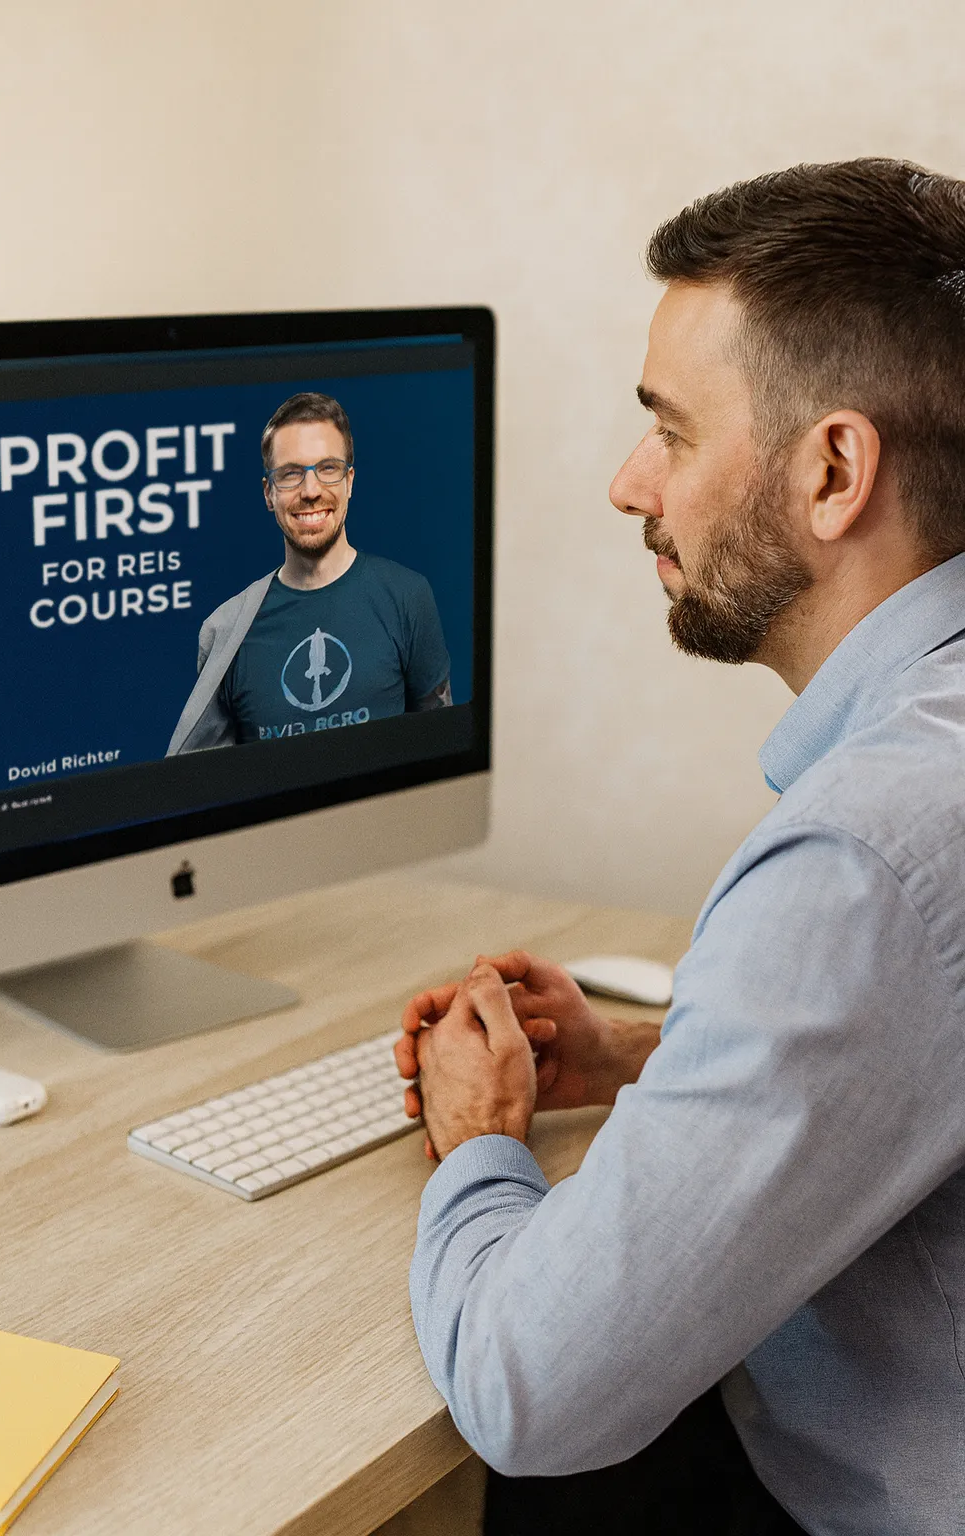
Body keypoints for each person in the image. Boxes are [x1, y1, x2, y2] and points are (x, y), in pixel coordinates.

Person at [395, 159, 965, 1536]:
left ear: (833, 471)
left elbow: (532, 1393)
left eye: (671, 430)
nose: (626, 482)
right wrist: (657, 1058)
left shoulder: (866, 858)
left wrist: (479, 1134)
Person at [166, 392, 450, 753]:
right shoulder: (226, 632)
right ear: (269, 493)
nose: (311, 491)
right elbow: (210, 783)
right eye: (290, 475)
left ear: (349, 481)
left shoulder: (408, 597)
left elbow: (439, 752)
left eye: (327, 469)